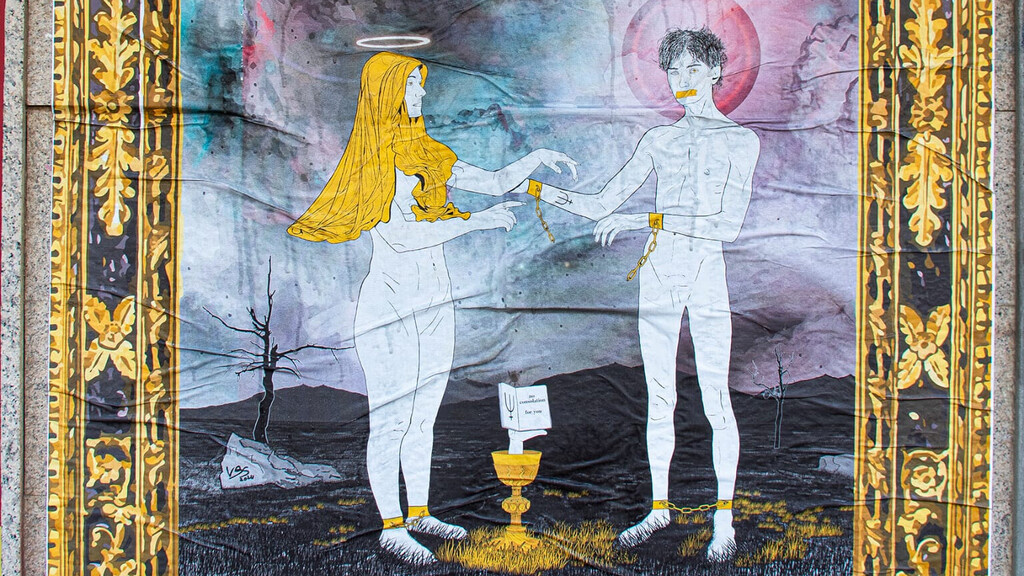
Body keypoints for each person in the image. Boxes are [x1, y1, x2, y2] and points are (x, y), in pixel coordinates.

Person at [287, 51, 577, 565]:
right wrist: (475, 222)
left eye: (421, 84)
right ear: (388, 94)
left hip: (435, 300)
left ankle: (419, 512)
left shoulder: (428, 153)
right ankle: (391, 527)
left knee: (424, 419)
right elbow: (401, 237)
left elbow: (492, 182)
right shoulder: (375, 160)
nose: (422, 93)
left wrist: (534, 158)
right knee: (391, 421)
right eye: (413, 85)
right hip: (390, 306)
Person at [527, 28, 759, 560]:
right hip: (659, 271)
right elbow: (601, 205)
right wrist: (533, 186)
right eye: (674, 70)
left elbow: (726, 225)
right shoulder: (658, 140)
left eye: (693, 69)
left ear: (716, 73)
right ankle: (658, 508)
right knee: (659, 396)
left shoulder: (741, 140)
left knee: (716, 397)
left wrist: (647, 219)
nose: (682, 80)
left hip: (705, 272)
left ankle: (723, 519)